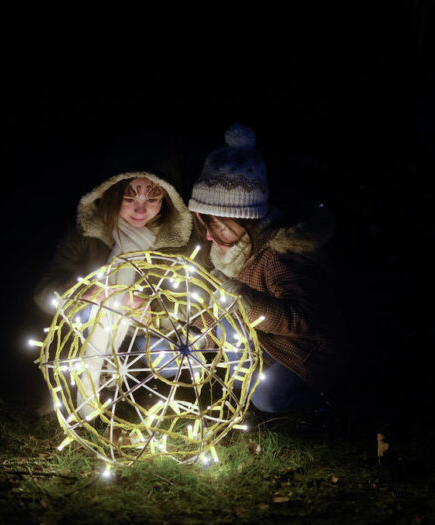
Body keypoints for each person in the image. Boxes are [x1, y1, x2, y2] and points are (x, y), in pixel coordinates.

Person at [188, 123, 348, 414]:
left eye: (218, 226)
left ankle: (324, 401)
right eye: (205, 224)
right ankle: (246, 381)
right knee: (224, 316)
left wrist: (247, 302)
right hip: (266, 343)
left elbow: (301, 319)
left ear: (245, 219)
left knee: (266, 397)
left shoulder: (278, 256)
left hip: (305, 351)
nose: (209, 236)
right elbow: (222, 312)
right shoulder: (228, 248)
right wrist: (199, 332)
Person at [34, 166, 193, 417]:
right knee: (90, 313)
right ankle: (87, 386)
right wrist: (88, 292)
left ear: (167, 199)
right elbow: (44, 290)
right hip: (90, 326)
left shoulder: (174, 245)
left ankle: (137, 392)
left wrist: (150, 308)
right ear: (111, 193)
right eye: (129, 199)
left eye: (152, 199)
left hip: (142, 336)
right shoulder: (88, 235)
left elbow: (192, 300)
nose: (140, 210)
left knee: (175, 356)